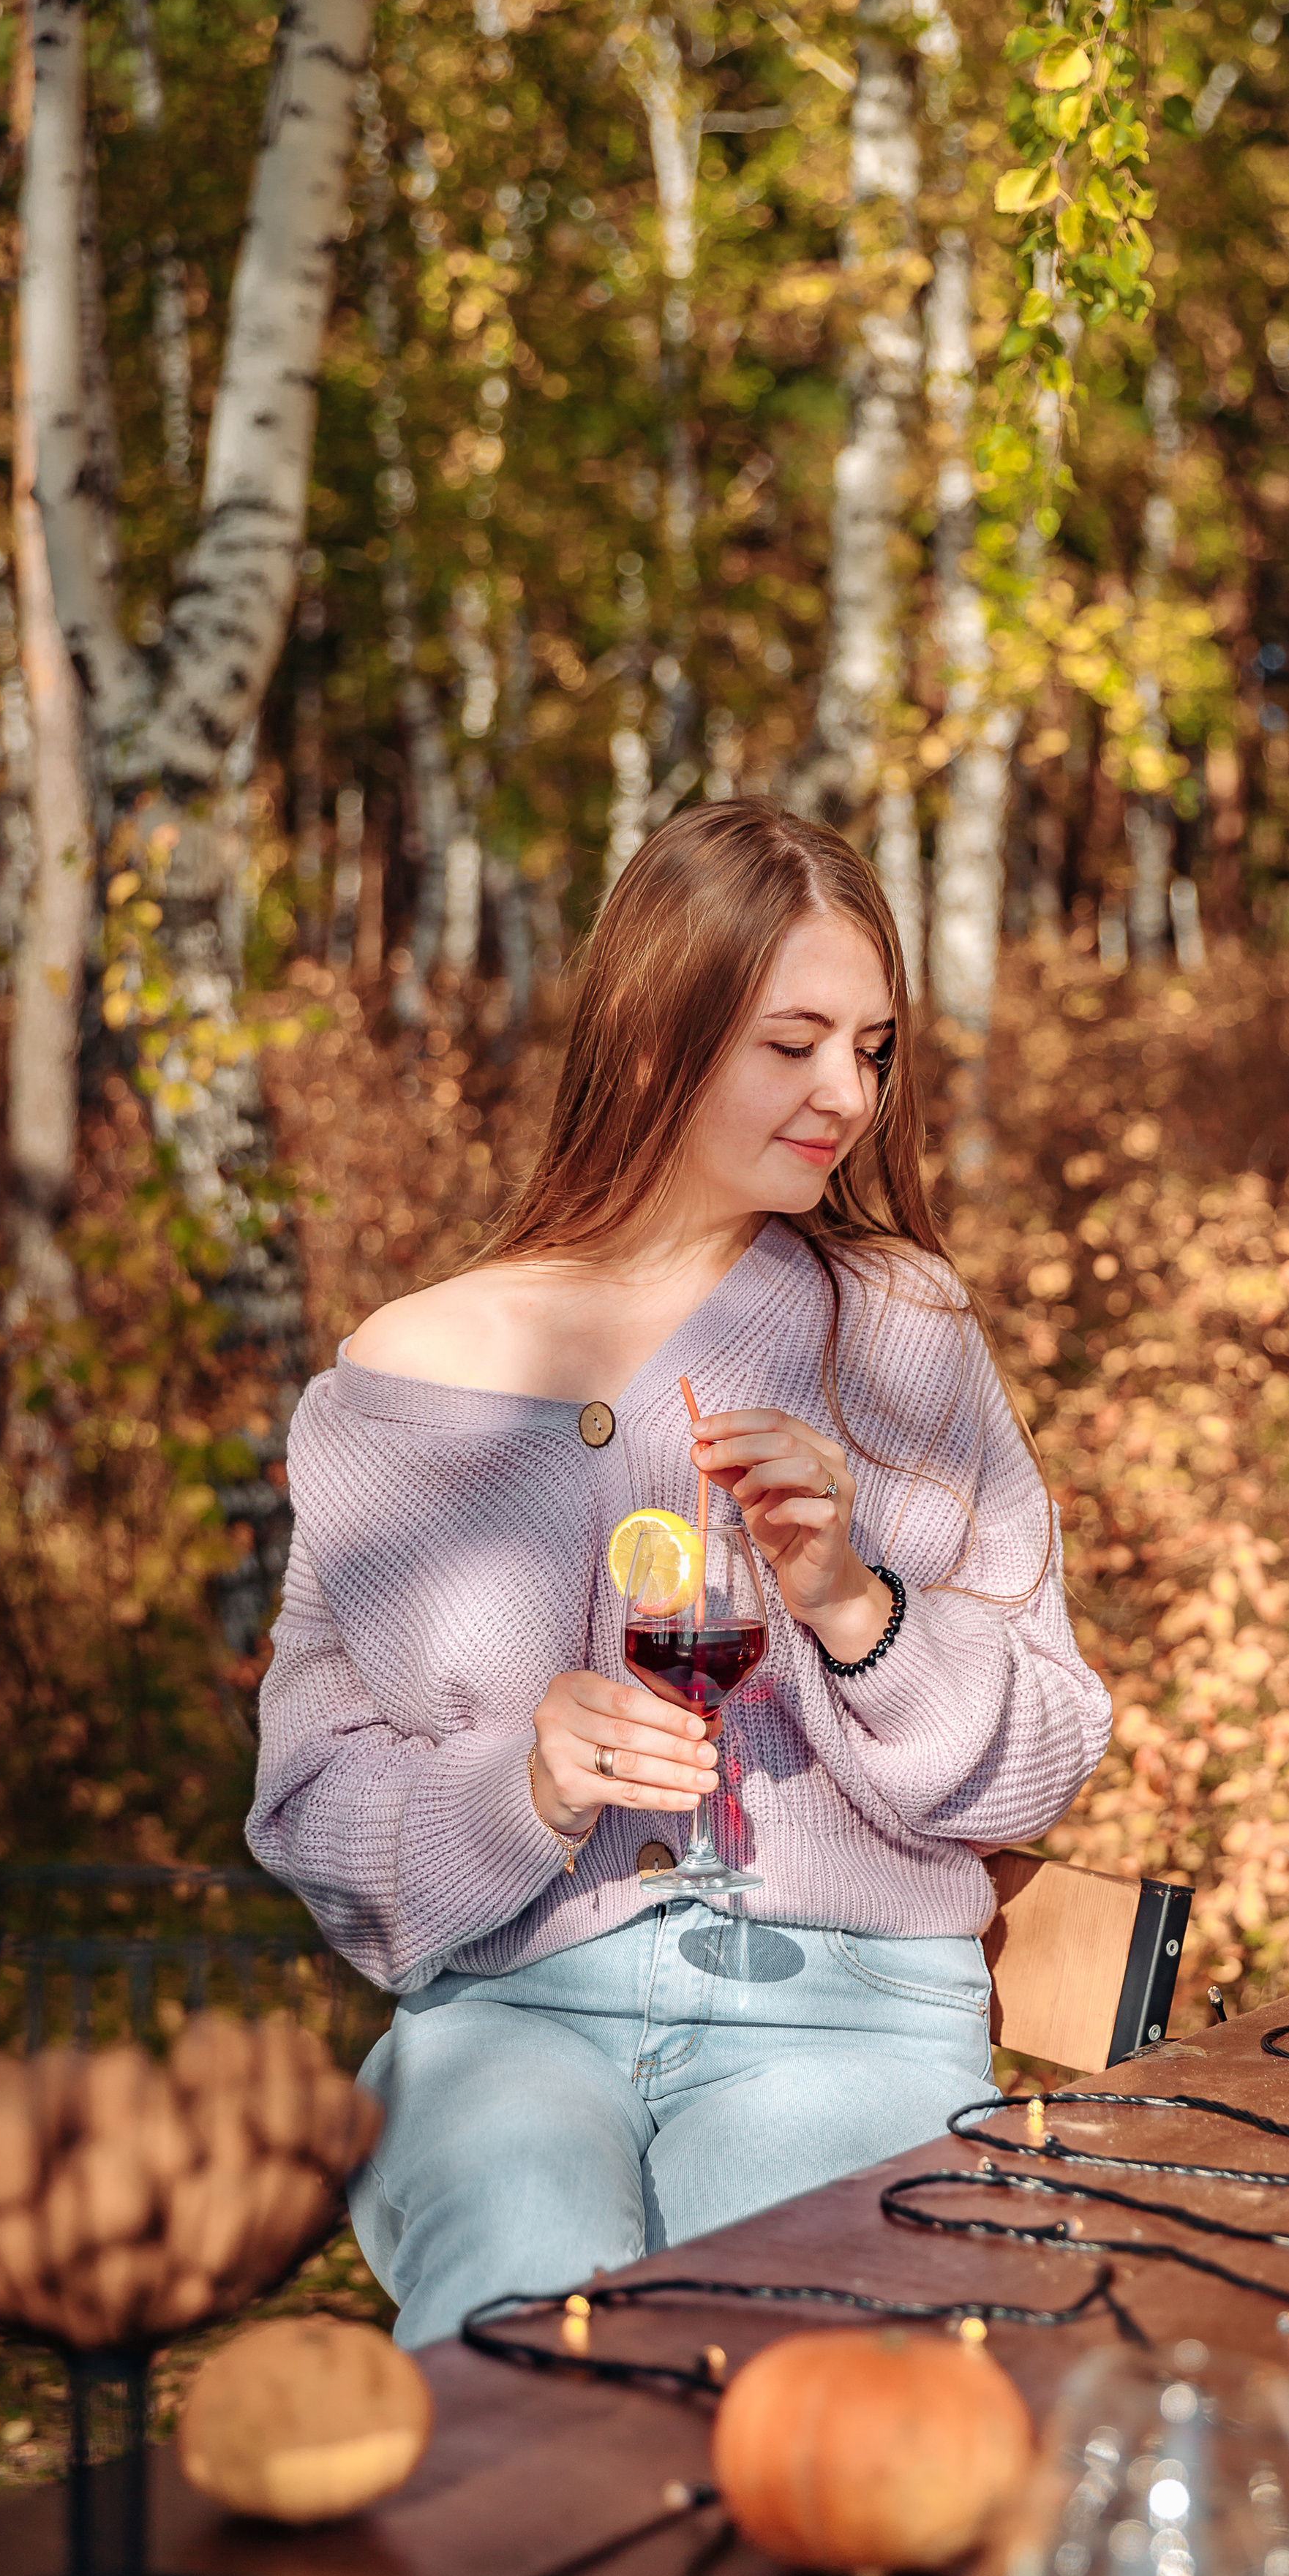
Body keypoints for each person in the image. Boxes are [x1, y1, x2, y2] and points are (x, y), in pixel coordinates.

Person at [249, 800, 1112, 2346]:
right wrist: (528, 1787)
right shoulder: (395, 1386)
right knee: (515, 2297)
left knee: (788, 2336)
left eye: (873, 1047)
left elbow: (1042, 1754)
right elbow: (314, 1814)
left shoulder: (897, 1329)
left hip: (848, 2015)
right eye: (792, 1043)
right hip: (509, 2023)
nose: (846, 1093)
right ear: (656, 1038)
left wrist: (857, 1607)